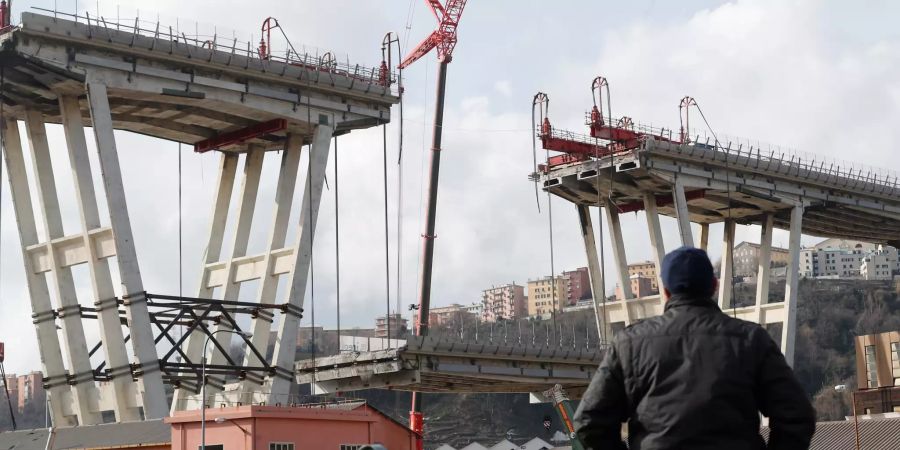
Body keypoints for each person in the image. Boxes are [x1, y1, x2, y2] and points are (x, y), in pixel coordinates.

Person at [574, 246, 815, 450]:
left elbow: (589, 421)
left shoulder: (628, 344)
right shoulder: (751, 340)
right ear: (714, 285)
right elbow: (797, 416)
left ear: (666, 292)